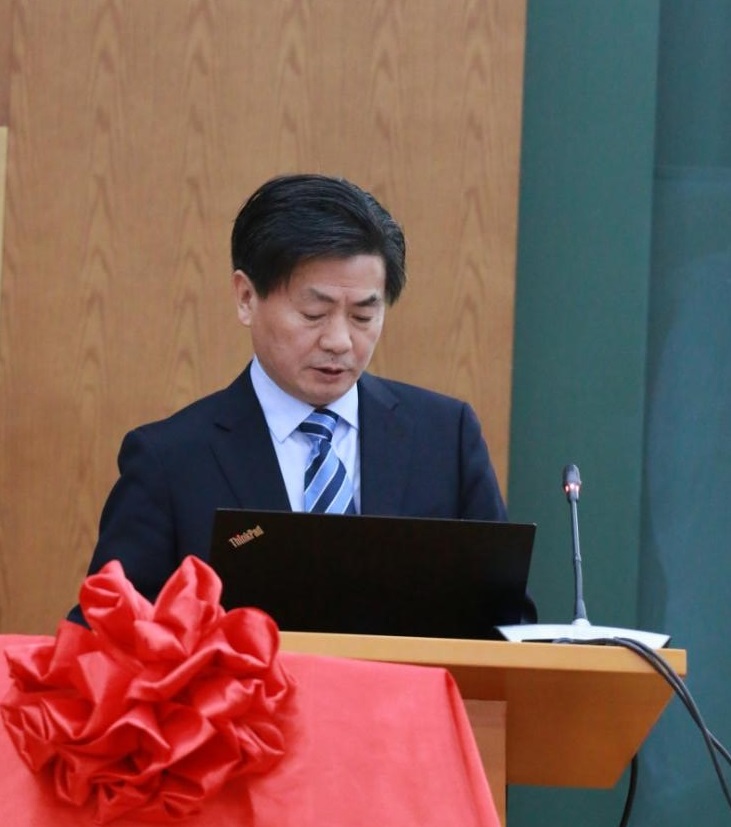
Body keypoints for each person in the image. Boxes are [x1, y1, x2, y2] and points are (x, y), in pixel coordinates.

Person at [67, 173, 516, 624]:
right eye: (313, 313)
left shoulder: (445, 438)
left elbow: (507, 623)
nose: (339, 341)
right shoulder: (171, 460)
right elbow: (108, 627)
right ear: (246, 297)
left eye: (363, 316)